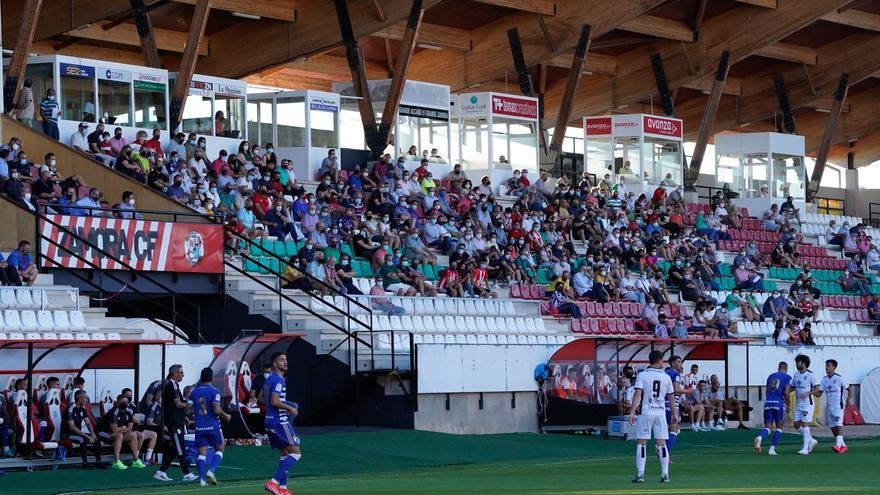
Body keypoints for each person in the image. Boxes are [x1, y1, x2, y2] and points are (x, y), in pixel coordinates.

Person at [629, 350, 675, 484]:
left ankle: (640, 474)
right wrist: (674, 414)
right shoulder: (666, 376)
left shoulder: (642, 375)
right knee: (661, 444)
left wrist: (632, 411)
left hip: (646, 411)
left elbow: (638, 394)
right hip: (660, 413)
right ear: (660, 361)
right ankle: (665, 474)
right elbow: (671, 397)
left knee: (642, 442)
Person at [263, 352, 302, 495]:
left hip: (269, 421)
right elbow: (274, 401)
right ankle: (273, 483)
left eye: (286, 359)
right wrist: (290, 408)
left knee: (285, 455)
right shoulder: (279, 380)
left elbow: (262, 397)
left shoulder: (269, 379)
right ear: (274, 364)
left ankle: (283, 489)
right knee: (296, 454)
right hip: (279, 421)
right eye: (281, 360)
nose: (285, 362)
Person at [154, 364, 197, 482]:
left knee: (175, 448)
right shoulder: (171, 384)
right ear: (175, 373)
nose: (183, 375)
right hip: (173, 422)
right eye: (181, 372)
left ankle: (161, 471)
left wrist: (184, 416)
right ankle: (186, 473)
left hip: (177, 420)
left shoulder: (175, 385)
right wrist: (191, 404)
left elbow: (178, 405)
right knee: (180, 447)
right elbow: (178, 404)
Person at [191, 367, 232, 486]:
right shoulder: (215, 391)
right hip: (213, 426)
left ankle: (202, 480)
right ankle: (211, 471)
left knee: (201, 453)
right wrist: (226, 416)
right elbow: (216, 409)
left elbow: (188, 410)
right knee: (220, 449)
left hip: (199, 427)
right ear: (212, 378)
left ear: (201, 377)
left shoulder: (194, 392)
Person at [95, 394, 144, 470]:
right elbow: (114, 430)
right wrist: (124, 428)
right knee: (119, 435)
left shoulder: (128, 412)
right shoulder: (113, 412)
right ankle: (116, 462)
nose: (125, 403)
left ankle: (135, 460)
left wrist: (122, 428)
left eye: (126, 402)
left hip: (115, 433)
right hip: (102, 433)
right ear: (117, 403)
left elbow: (130, 428)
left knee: (133, 434)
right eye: (123, 402)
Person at [754, 362, 791, 456]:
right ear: (786, 369)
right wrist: (788, 404)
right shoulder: (787, 377)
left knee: (768, 428)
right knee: (779, 428)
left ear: (778, 368)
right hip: (778, 404)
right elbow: (786, 392)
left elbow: (767, 391)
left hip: (768, 403)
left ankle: (760, 437)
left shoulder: (770, 376)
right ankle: (772, 449)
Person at [62, 389, 105, 469]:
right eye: (86, 398)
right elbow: (72, 427)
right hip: (67, 434)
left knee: (96, 438)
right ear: (80, 399)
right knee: (83, 439)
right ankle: (85, 463)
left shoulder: (82, 409)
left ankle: (98, 462)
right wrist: (87, 436)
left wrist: (92, 433)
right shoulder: (70, 410)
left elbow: (88, 422)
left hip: (77, 433)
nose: (87, 400)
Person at [818, 359, 852, 454]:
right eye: (826, 366)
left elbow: (850, 389)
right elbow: (819, 393)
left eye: (828, 366)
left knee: (839, 425)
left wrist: (848, 400)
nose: (826, 367)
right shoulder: (824, 379)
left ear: (834, 367)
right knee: (833, 428)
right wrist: (810, 392)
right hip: (829, 407)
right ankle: (844, 446)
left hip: (838, 406)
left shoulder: (839, 378)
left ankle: (837, 446)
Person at [791, 354, 821, 455]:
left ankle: (805, 449)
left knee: (805, 424)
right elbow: (792, 387)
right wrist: (784, 392)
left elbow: (817, 389)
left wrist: (808, 393)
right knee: (796, 424)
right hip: (798, 404)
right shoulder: (796, 374)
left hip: (808, 404)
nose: (796, 364)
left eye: (798, 362)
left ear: (803, 363)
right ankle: (811, 440)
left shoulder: (811, 375)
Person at [664, 356, 686, 457]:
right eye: (678, 361)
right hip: (670, 404)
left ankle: (663, 450)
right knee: (674, 428)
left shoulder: (666, 373)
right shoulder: (675, 374)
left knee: (668, 429)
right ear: (672, 363)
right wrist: (688, 391)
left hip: (664, 404)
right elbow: (676, 390)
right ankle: (665, 453)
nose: (681, 363)